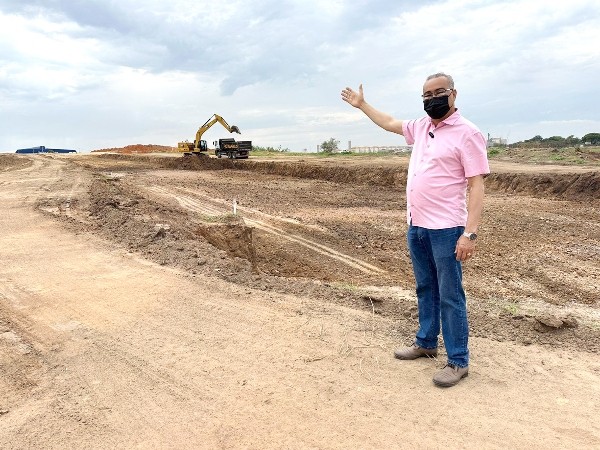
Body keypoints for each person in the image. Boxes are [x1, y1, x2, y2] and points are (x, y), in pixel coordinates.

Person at [341, 73, 489, 387]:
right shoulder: (421, 127)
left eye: (439, 92)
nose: (432, 99)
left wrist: (470, 233)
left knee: (450, 295)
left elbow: (476, 186)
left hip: (447, 229)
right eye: (426, 95)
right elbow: (391, 122)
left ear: (454, 94)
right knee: (425, 288)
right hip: (417, 226)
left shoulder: (468, 133)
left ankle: (458, 360)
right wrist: (363, 105)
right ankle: (425, 342)